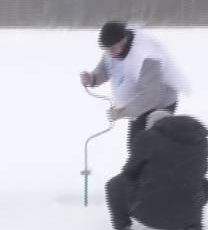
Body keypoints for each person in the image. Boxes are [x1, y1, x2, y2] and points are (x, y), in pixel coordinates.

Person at [105, 110, 208, 230]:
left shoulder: (147, 138)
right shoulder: (200, 141)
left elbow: (129, 172)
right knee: (205, 185)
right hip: (185, 215)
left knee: (115, 184)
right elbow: (203, 171)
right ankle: (191, 229)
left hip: (147, 212)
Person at [80, 21, 191, 155]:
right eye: (107, 50)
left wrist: (123, 112)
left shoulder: (147, 57)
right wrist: (93, 78)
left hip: (160, 104)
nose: (110, 53)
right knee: (136, 147)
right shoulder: (113, 50)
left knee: (151, 148)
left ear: (123, 41)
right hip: (138, 102)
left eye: (112, 49)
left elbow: (151, 96)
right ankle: (139, 173)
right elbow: (107, 67)